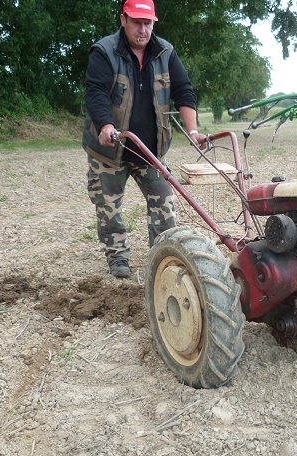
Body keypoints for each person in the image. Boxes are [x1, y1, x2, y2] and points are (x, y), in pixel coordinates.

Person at [82, 0, 207, 278]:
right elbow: (96, 93)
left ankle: (161, 256)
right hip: (110, 150)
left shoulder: (165, 52)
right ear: (123, 19)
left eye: (147, 23)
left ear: (154, 23)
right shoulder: (104, 51)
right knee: (108, 208)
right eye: (136, 22)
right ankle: (117, 258)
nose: (142, 29)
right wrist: (105, 125)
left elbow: (184, 90)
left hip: (149, 150)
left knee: (164, 204)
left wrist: (194, 130)